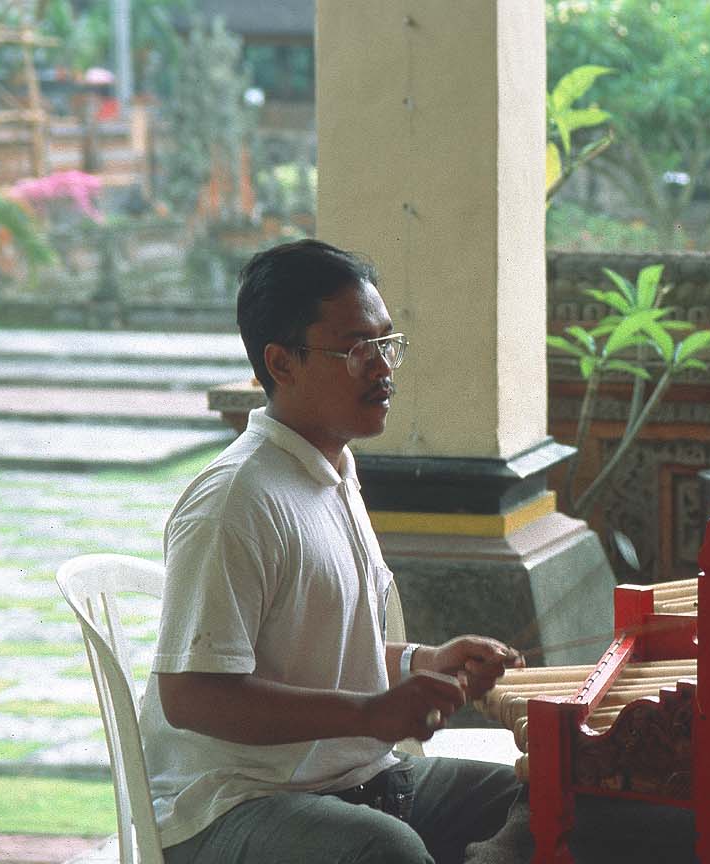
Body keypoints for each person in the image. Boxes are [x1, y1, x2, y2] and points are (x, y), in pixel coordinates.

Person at [139, 239, 524, 864]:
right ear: (281, 363)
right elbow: (191, 695)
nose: (383, 367)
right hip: (234, 805)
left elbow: (322, 650)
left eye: (387, 343)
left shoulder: (333, 468)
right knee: (384, 851)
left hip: (354, 783)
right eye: (356, 349)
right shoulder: (235, 500)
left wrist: (423, 662)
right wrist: (371, 714)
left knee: (535, 797)